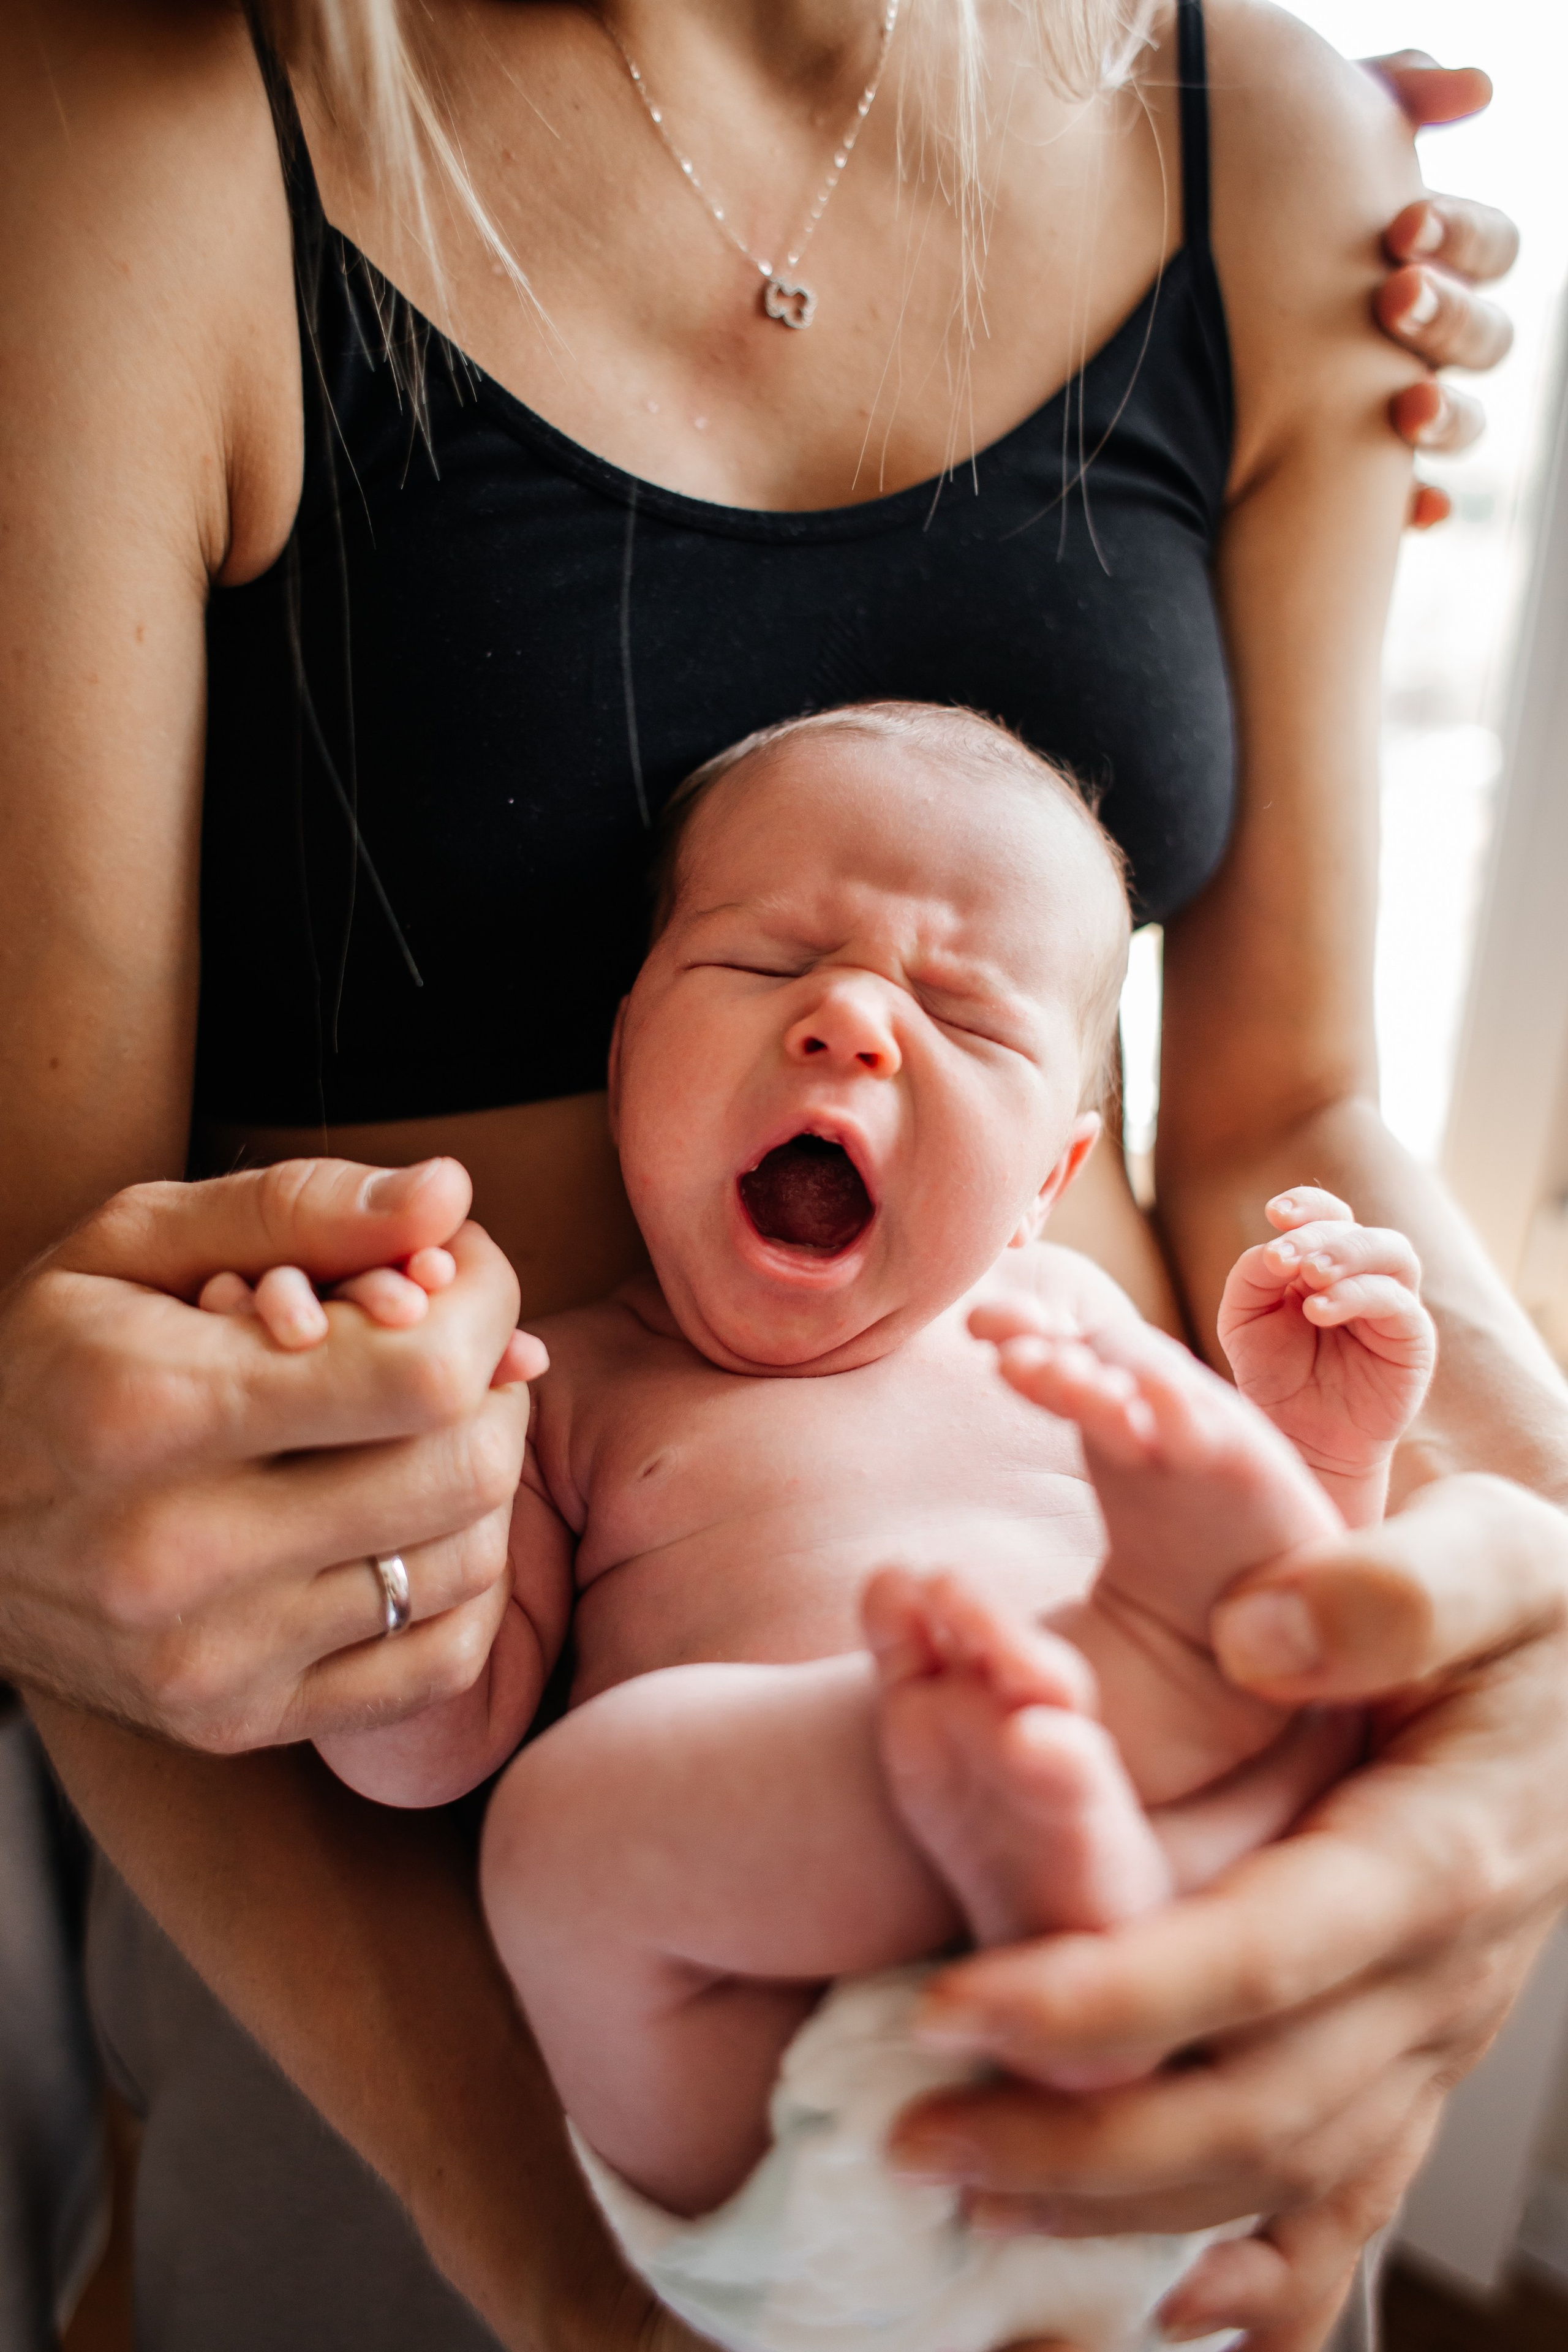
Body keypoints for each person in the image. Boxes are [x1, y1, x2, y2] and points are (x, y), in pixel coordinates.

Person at [0, 1, 1558, 2346]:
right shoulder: (136, 119)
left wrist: (1509, 1627)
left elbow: (1283, 1119)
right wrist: (564, 2275)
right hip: (428, 1990)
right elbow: (58, 1346)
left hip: (1166, 1922)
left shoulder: (1287, 152)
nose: (854, 1024)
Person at [229, 702, 1432, 2352]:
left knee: (1285, 1681)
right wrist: (396, 1463)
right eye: (762, 962)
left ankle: (1076, 1845)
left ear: (1049, 1177)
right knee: (560, 1828)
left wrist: (1320, 1451)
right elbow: (424, 1757)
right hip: (792, 2133)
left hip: (1189, 2064)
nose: (854, 1019)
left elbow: (1295, 1622)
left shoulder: (1068, 1317)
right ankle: (1054, 1795)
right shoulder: (561, 1385)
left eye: (963, 1012)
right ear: (628, 1047)